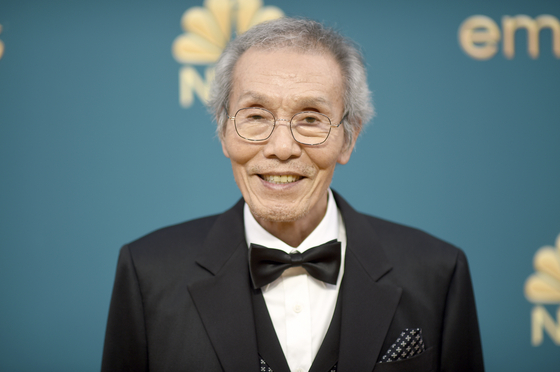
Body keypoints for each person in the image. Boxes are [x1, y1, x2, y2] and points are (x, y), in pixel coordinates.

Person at [101, 18, 484, 372]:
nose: (282, 147)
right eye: (255, 116)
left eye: (311, 119)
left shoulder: (439, 272)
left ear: (348, 138)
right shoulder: (146, 273)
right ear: (223, 133)